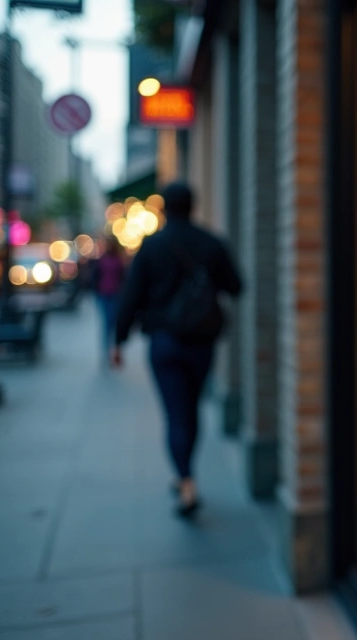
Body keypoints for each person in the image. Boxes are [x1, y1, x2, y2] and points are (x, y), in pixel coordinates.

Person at [112, 182, 242, 517]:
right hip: (201, 342)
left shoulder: (152, 246)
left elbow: (131, 296)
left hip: (165, 341)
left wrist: (119, 340)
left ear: (164, 208)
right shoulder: (211, 243)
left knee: (175, 412)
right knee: (191, 409)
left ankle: (185, 480)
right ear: (193, 206)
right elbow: (236, 285)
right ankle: (186, 474)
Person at [90, 236, 127, 366]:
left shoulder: (119, 260)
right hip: (104, 295)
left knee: (113, 323)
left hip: (116, 295)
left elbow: (123, 277)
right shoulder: (101, 260)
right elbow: (95, 276)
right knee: (106, 324)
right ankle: (106, 351)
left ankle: (115, 349)